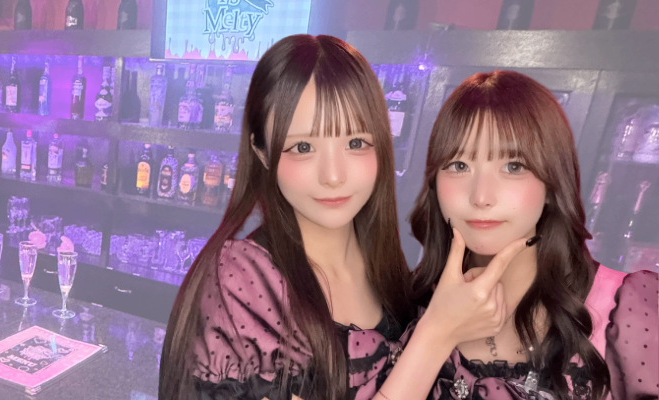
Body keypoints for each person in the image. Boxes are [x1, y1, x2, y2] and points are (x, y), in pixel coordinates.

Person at [159, 34, 520, 400]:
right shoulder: (243, 282)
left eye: (355, 143)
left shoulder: (388, 269)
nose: (333, 176)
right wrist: (438, 333)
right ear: (262, 153)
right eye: (303, 147)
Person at [407, 70, 658, 399]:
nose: (481, 197)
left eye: (513, 166)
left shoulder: (627, 309)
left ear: (552, 185)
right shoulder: (410, 307)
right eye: (459, 165)